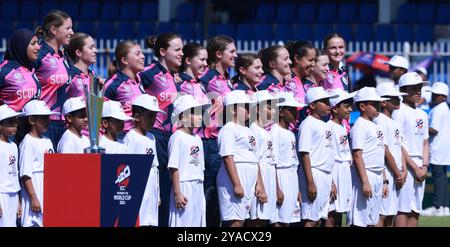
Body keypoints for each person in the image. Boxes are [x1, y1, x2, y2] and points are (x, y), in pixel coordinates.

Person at [139, 32, 184, 226]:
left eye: (182, 49)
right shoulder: (149, 73)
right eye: (177, 49)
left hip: (171, 136)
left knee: (166, 189)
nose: (182, 53)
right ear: (163, 51)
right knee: (154, 189)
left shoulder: (173, 76)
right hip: (155, 136)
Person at [199, 35, 237, 226]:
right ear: (219, 54)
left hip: (227, 140)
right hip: (212, 141)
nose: (235, 55)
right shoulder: (207, 78)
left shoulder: (228, 80)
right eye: (232, 51)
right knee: (211, 192)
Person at [392, 72, 429, 227]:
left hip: (420, 166)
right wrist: (414, 167)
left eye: (419, 87)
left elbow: (425, 142)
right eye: (414, 88)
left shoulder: (422, 113)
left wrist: (424, 167)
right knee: (403, 209)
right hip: (405, 165)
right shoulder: (399, 113)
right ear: (404, 91)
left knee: (415, 209)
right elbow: (398, 144)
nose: (418, 91)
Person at [348, 87, 388, 227]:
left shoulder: (375, 125)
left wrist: (384, 180)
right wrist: (365, 181)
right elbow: (357, 155)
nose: (379, 106)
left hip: (377, 174)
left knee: (372, 220)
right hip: (366, 174)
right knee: (359, 219)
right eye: (374, 104)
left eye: (379, 103)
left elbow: (379, 153)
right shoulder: (359, 126)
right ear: (363, 106)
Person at [216, 90, 258, 227]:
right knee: (234, 221)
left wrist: (258, 183)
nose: (249, 109)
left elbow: (253, 158)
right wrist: (237, 184)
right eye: (245, 106)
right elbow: (228, 157)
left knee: (242, 219)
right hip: (235, 177)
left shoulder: (248, 129)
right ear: (233, 110)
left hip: (248, 177)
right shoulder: (228, 128)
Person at [33, 10, 74, 148]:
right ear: (54, 30)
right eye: (68, 28)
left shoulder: (63, 56)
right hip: (43, 123)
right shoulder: (40, 54)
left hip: (61, 123)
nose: (72, 32)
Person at [123, 94, 164, 227]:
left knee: (151, 222)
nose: (154, 120)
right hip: (138, 190)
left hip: (151, 190)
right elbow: (126, 169)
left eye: (155, 116)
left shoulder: (152, 137)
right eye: (150, 116)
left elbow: (155, 168)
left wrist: (157, 195)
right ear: (137, 117)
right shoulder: (130, 137)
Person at [298, 87, 337, 227]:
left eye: (329, 101)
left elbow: (327, 154)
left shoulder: (324, 124)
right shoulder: (308, 124)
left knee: (320, 217)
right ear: (312, 105)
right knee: (311, 219)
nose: (329, 105)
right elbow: (305, 154)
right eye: (324, 102)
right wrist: (310, 182)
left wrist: (331, 181)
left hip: (325, 174)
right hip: (314, 173)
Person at [168, 95, 208, 227]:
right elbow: (174, 167)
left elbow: (200, 167)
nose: (200, 117)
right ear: (183, 117)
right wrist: (177, 193)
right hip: (184, 186)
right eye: (195, 113)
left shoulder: (198, 139)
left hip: (198, 186)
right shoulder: (177, 137)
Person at [18, 100, 58, 227]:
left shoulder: (48, 141)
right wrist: (33, 197)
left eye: (48, 117)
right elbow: (25, 174)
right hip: (35, 188)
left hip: (48, 190)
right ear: (31, 120)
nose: (48, 121)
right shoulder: (27, 142)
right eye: (44, 118)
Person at [374, 83, 408, 226]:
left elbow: (399, 147)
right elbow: (385, 150)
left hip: (397, 174)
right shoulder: (379, 120)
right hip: (387, 173)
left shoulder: (394, 122)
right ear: (383, 102)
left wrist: (404, 169)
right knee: (381, 215)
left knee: (391, 215)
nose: (398, 100)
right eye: (394, 98)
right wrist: (396, 172)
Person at [270, 92, 305, 227]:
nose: (296, 114)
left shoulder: (290, 133)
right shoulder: (275, 132)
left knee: (290, 219)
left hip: (291, 177)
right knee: (279, 220)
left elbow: (293, 161)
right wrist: (277, 188)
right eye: (292, 110)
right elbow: (273, 163)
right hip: (281, 176)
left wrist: (296, 189)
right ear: (282, 112)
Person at [324, 89, 357, 227]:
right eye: (346, 106)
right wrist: (331, 180)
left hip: (344, 170)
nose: (350, 110)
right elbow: (327, 154)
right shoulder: (329, 127)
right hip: (334, 170)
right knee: (330, 213)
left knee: (340, 212)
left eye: (350, 106)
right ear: (335, 109)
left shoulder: (343, 126)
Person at [248, 91, 277, 226]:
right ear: (258, 108)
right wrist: (260, 185)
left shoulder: (265, 131)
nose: (274, 111)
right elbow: (255, 160)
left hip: (269, 175)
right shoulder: (253, 130)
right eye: (269, 107)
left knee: (264, 219)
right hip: (261, 178)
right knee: (256, 220)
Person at [103, 40, 146, 134]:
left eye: (142, 53)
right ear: (124, 60)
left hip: (141, 136)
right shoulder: (114, 83)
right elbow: (101, 113)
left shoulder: (142, 78)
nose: (143, 56)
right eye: (137, 54)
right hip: (122, 136)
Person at [422, 82, 450, 216]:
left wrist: (420, 130)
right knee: (443, 177)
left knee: (438, 178)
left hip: (437, 148)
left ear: (443, 97)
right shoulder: (444, 108)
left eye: (436, 95)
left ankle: (438, 206)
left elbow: (434, 129)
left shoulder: (439, 109)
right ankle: (444, 206)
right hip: (443, 149)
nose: (433, 96)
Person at [0, 29, 41, 111]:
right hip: (11, 123)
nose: (38, 47)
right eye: (33, 44)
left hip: (31, 122)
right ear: (21, 46)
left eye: (38, 43)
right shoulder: (4, 70)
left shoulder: (32, 69)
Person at [0, 104, 24, 227]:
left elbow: (14, 174)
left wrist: (18, 200)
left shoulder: (13, 145)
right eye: (10, 122)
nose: (15, 125)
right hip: (2, 194)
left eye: (15, 122)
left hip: (13, 194)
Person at [65, 32, 100, 98]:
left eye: (95, 47)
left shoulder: (93, 75)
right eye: (91, 47)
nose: (96, 50)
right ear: (78, 52)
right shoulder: (69, 75)